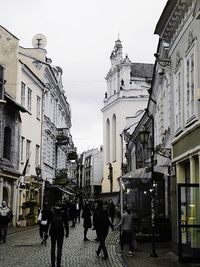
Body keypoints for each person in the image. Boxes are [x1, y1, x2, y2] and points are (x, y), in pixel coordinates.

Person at [48, 202, 69, 267]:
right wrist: (67, 232)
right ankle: (58, 264)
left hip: (53, 232)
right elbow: (66, 223)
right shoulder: (63, 212)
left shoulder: (51, 211)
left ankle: (53, 263)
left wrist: (46, 232)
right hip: (60, 232)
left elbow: (48, 222)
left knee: (53, 248)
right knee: (59, 248)